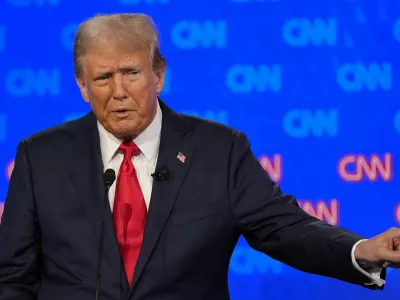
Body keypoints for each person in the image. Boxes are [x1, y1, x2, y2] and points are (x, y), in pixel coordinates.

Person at [0, 13, 399, 300]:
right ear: (82, 86)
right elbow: (12, 276)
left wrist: (361, 250)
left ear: (159, 75)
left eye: (132, 73)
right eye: (103, 77)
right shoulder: (40, 157)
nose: (118, 90)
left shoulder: (219, 150)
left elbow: (284, 229)